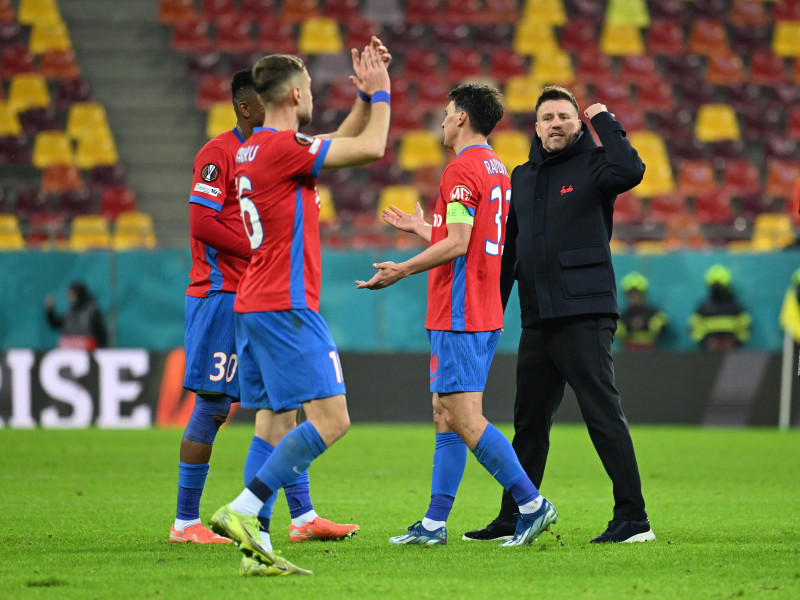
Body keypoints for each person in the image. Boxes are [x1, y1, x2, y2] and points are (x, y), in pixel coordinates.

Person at [208, 43, 392, 576]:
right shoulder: (283, 149)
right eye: (309, 89)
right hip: (285, 305)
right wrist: (381, 90)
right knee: (333, 421)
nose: (313, 96)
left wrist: (361, 95)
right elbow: (372, 145)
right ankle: (243, 510)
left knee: (272, 424)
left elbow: (337, 139)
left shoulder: (257, 149)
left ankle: (257, 547)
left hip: (254, 303)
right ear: (293, 94)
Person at [356, 83, 558, 548]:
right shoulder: (495, 168)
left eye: (447, 112)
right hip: (484, 306)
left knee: (465, 417)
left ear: (463, 118)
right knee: (445, 414)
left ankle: (531, 504)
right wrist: (425, 228)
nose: (443, 120)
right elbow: (469, 235)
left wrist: (401, 270)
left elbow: (460, 243)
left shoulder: (462, 168)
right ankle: (433, 523)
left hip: (459, 310)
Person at [172, 69, 359, 553]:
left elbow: (335, 144)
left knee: (286, 403)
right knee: (214, 406)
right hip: (219, 293)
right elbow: (200, 221)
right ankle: (184, 520)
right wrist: (255, 252)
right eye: (266, 103)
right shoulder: (220, 154)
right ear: (245, 107)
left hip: (256, 292)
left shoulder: (277, 147)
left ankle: (302, 515)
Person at [463, 85, 655, 544]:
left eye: (564, 117)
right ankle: (515, 515)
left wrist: (603, 118)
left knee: (601, 414)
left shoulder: (597, 164)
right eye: (547, 117)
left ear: (578, 124)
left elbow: (632, 169)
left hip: (585, 311)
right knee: (528, 422)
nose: (555, 124)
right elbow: (509, 251)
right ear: (536, 126)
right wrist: (492, 310)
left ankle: (633, 519)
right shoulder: (522, 176)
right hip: (538, 316)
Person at [688, 264, 751, 351]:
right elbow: (694, 328)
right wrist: (705, 342)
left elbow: (745, 327)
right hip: (710, 351)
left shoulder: (735, 307)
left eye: (720, 287)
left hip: (731, 349)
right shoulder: (703, 308)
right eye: (715, 287)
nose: (718, 290)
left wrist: (735, 342)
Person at [44, 282, 107, 350]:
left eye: (71, 295)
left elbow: (100, 334)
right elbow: (56, 324)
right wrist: (50, 312)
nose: (69, 298)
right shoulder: (69, 312)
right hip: (69, 351)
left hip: (87, 351)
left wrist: (100, 350)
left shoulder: (92, 311)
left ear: (78, 294)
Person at [617, 271, 668, 351]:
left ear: (643, 294)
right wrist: (629, 325)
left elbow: (663, 323)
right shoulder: (622, 315)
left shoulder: (653, 312)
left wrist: (645, 323)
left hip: (649, 351)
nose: (633, 297)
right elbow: (617, 330)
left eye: (637, 293)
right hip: (628, 353)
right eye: (630, 294)